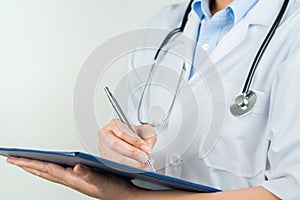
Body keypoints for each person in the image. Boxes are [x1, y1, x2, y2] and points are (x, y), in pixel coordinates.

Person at [7, 0, 300, 199]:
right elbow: (138, 147)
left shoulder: (293, 28)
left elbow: (290, 189)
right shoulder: (164, 23)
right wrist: (120, 150)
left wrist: (131, 197)